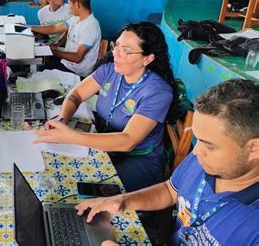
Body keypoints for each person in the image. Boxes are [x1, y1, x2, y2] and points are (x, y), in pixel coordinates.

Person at [75, 79, 259, 245]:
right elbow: (170, 190)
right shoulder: (205, 161)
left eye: (209, 145)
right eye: (197, 139)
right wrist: (123, 201)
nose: (195, 151)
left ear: (254, 148)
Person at [34, 22, 176, 192]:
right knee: (58, 169)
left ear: (148, 58)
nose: (117, 54)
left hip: (138, 161)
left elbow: (128, 141)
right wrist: (63, 119)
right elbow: (76, 95)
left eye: (126, 51)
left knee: (78, 187)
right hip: (105, 148)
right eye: (117, 46)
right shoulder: (110, 71)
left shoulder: (157, 92)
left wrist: (70, 136)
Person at [30, 0, 101, 77]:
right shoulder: (76, 18)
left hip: (76, 71)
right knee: (35, 70)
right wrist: (29, 27)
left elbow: (77, 57)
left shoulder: (90, 26)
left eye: (70, 5)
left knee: (37, 75)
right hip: (66, 64)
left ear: (77, 5)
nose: (69, 8)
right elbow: (55, 28)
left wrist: (52, 51)